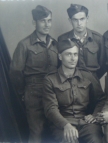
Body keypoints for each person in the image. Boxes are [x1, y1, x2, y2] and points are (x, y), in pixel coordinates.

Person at [10, 5, 58, 143]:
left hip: (54, 92)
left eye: (49, 20)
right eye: (43, 21)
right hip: (34, 92)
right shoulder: (24, 45)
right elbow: (15, 72)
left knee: (55, 129)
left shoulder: (54, 44)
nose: (47, 24)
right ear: (34, 22)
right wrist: (22, 92)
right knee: (37, 131)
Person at [43, 39, 105, 143]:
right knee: (69, 140)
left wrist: (94, 115)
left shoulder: (87, 76)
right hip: (62, 123)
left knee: (96, 140)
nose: (73, 59)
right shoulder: (50, 79)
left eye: (75, 54)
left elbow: (101, 99)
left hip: (86, 123)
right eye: (68, 54)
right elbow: (50, 109)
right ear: (60, 57)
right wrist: (66, 125)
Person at [58, 4, 105, 79]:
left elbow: (103, 65)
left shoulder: (98, 38)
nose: (79, 23)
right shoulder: (63, 39)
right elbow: (60, 64)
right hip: (72, 82)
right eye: (75, 20)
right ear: (70, 21)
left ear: (87, 18)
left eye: (82, 19)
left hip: (93, 82)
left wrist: (93, 78)